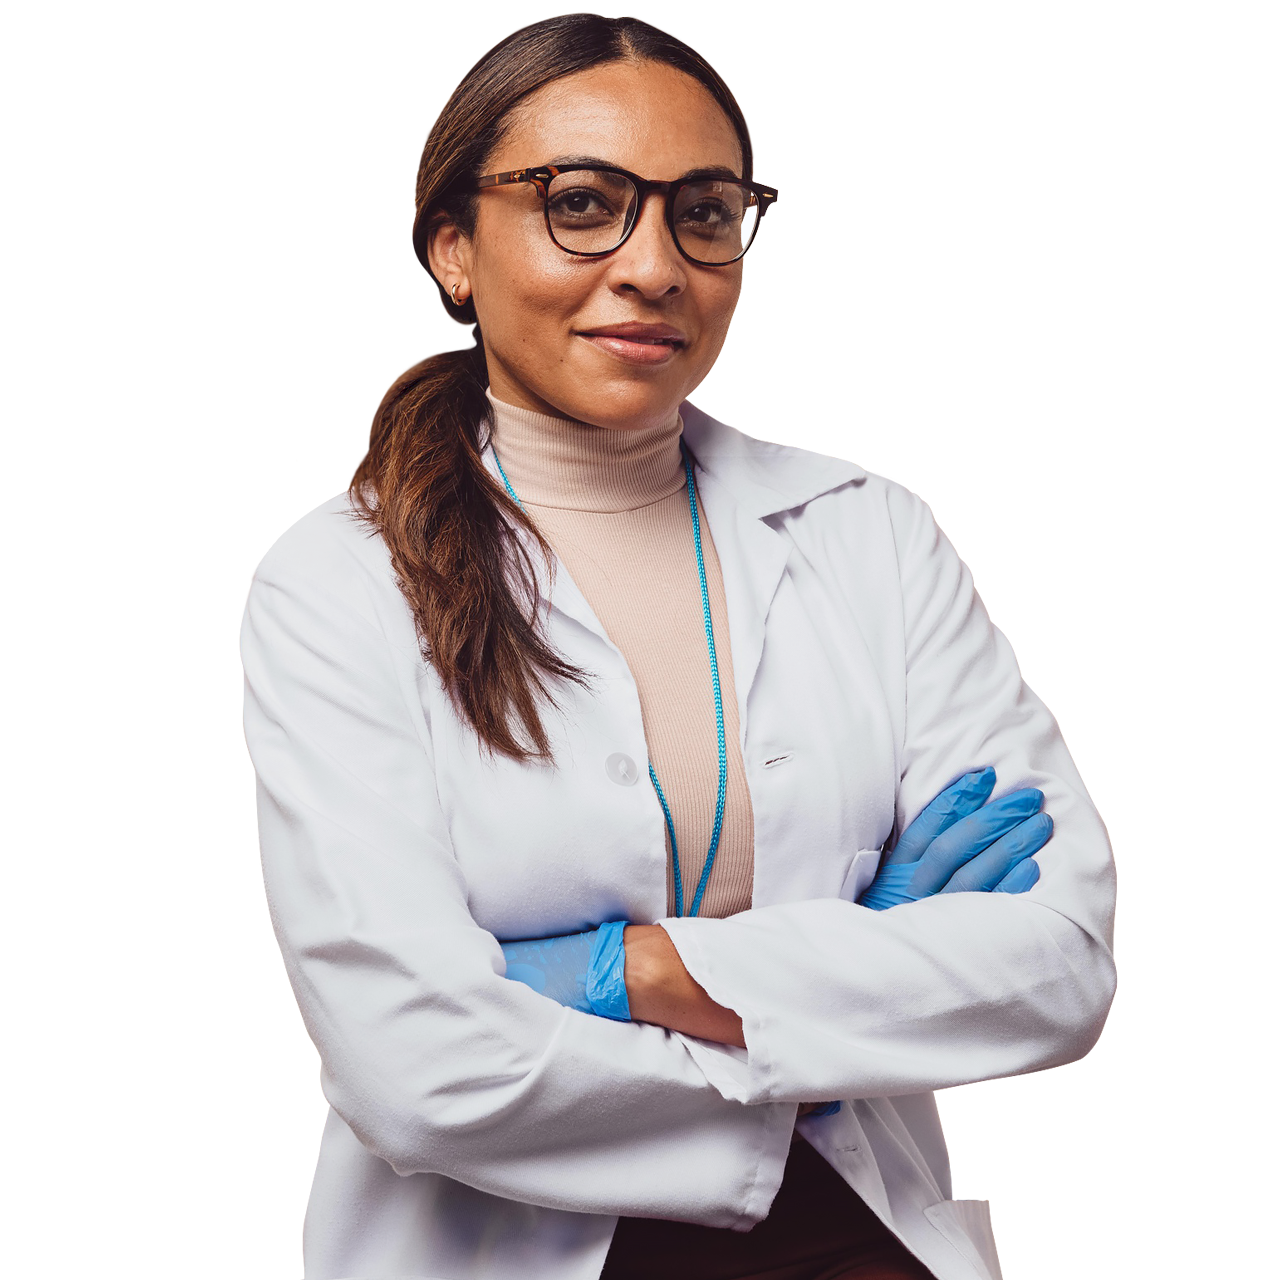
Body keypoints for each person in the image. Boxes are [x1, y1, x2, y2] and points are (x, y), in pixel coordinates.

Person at [239, 15, 1117, 1280]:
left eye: (703, 211)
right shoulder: (345, 574)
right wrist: (833, 1013)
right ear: (453, 250)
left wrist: (627, 970)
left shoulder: (864, 534)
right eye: (579, 202)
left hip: (851, 1240)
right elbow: (410, 1070)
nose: (652, 264)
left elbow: (1060, 961)